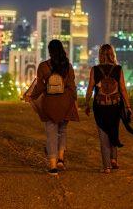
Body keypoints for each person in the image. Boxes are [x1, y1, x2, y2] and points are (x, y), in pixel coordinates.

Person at [28, 39, 79, 176]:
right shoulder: (67, 66)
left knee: (51, 133)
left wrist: (31, 96)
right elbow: (72, 86)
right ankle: (61, 160)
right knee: (62, 130)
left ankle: (52, 166)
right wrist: (74, 99)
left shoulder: (43, 66)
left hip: (49, 103)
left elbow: (39, 87)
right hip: (65, 102)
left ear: (50, 51)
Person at [84, 44, 133, 174]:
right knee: (113, 130)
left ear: (100, 55)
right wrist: (128, 106)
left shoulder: (95, 69)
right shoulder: (118, 69)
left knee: (103, 134)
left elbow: (89, 89)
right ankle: (114, 160)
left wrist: (87, 103)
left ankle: (106, 166)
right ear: (112, 54)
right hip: (115, 105)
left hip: (100, 106)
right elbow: (122, 89)